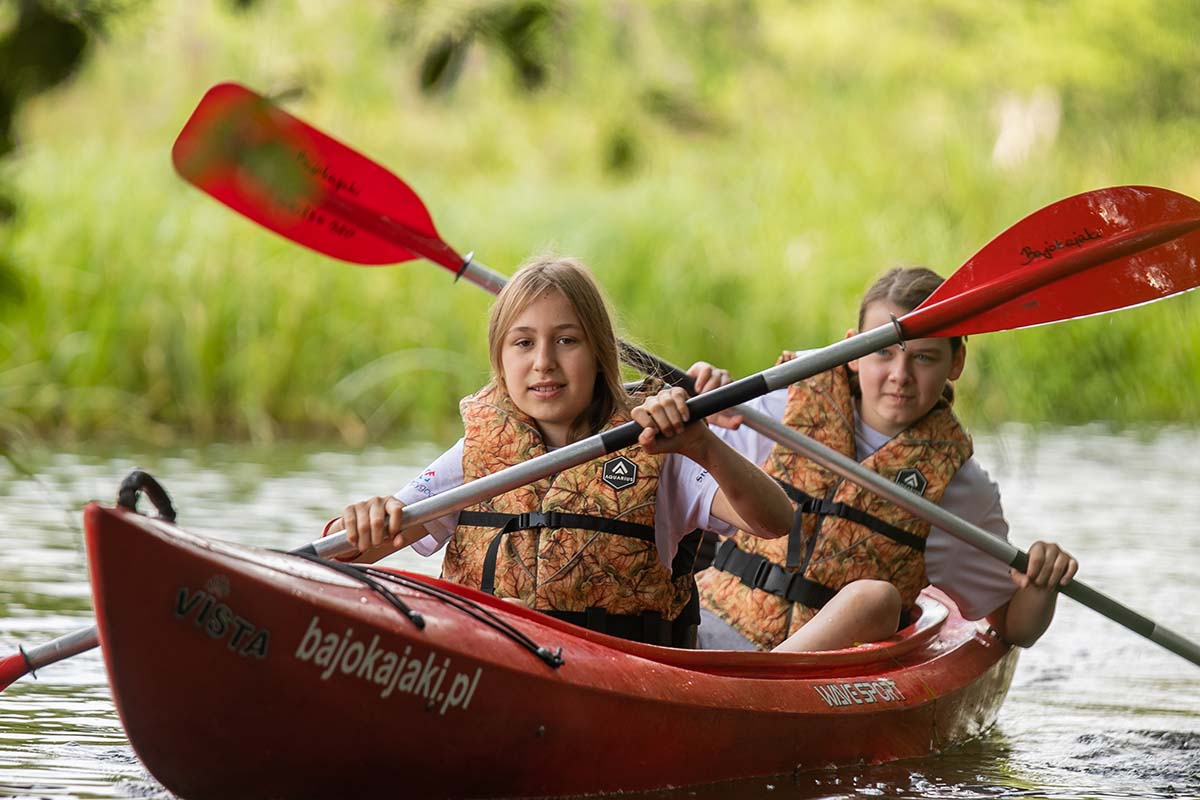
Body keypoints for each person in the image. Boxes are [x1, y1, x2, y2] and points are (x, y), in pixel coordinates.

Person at [329, 255, 793, 647]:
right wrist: (363, 522)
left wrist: (704, 445)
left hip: (620, 676)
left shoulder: (657, 444)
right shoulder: (476, 453)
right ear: (501, 360)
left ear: (599, 355)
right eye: (524, 343)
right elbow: (358, 551)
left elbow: (774, 521)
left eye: (567, 341)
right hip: (497, 660)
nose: (543, 362)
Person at [690, 266, 1078, 653]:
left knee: (876, 596)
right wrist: (696, 404)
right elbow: (675, 483)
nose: (900, 374)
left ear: (955, 363)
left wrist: (1042, 585)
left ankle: (765, 686)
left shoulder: (959, 486)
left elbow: (1014, 627)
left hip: (821, 671)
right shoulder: (779, 404)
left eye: (924, 357)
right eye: (882, 352)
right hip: (714, 621)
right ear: (852, 351)